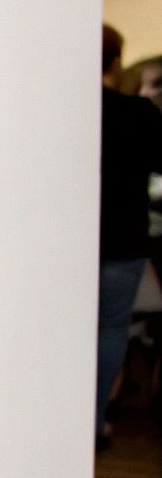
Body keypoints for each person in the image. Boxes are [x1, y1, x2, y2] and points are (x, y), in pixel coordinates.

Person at [97, 26, 162, 449]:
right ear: (117, 62)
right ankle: (95, 419)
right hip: (123, 242)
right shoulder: (138, 114)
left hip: (70, 247)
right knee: (110, 330)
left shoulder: (56, 112)